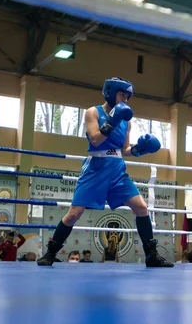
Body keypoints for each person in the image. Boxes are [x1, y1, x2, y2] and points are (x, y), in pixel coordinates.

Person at [37, 77, 173, 268]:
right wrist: (112, 120)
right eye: (121, 94)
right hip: (96, 167)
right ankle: (50, 253)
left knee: (141, 208)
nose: (125, 99)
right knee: (74, 213)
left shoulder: (128, 121)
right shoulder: (93, 112)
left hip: (117, 169)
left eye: (127, 96)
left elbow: (123, 150)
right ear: (110, 93)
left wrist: (138, 149)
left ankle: (151, 256)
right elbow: (95, 140)